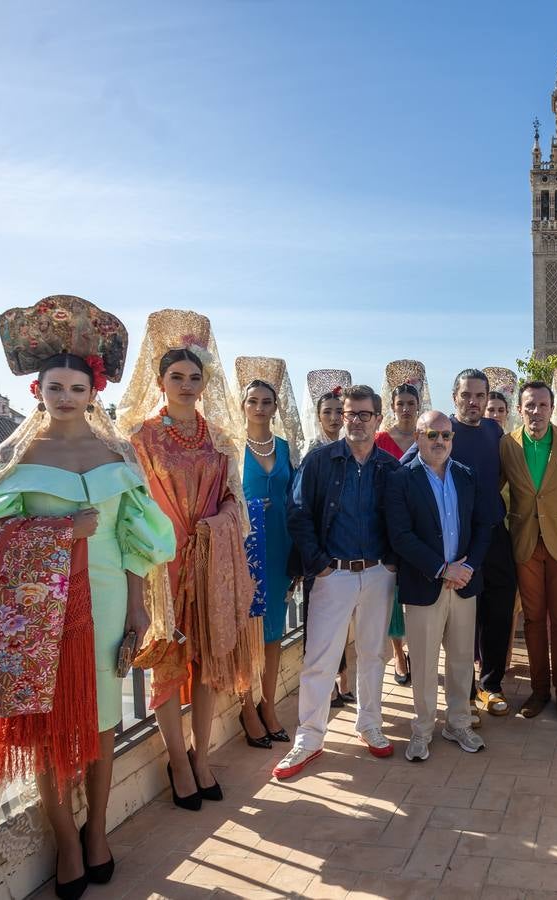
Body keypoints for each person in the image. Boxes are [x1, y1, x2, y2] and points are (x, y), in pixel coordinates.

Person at [0, 296, 175, 899]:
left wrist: (141, 608)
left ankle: (96, 833)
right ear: (37, 391)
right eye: (54, 387)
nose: (65, 397)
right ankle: (66, 840)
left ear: (94, 393)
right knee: (43, 729)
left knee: (101, 723)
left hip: (111, 601)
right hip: (35, 614)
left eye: (76, 387)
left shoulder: (118, 454)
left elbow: (136, 539)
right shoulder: (17, 459)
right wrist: (61, 532)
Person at [117, 309, 263, 812]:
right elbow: (132, 507)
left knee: (205, 665)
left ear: (204, 384)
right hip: (162, 566)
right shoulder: (139, 437)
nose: (184, 384)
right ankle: (177, 760)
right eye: (175, 377)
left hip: (209, 562)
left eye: (193, 377)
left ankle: (202, 757)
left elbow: (232, 500)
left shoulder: (219, 437)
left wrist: (215, 524)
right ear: (159, 381)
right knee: (168, 666)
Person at [275, 385, 401, 777]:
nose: (357, 421)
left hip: (379, 573)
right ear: (341, 417)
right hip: (334, 574)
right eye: (351, 413)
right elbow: (297, 513)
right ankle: (309, 738)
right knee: (319, 659)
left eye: (366, 414)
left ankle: (370, 725)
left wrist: (393, 564)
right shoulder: (320, 462)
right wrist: (320, 564)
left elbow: (402, 518)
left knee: (373, 654)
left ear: (379, 419)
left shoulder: (389, 467)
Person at [386, 411, 491, 761]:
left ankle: (458, 723)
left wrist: (468, 567)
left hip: (463, 584)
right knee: (426, 662)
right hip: (425, 584)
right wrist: (442, 569)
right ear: (418, 437)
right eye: (432, 435)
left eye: (446, 436)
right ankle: (422, 729)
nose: (440, 442)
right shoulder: (401, 479)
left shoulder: (465, 476)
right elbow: (401, 536)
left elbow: (482, 526)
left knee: (462, 660)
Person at [499, 380, 557, 721]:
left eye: (542, 405)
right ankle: (539, 691)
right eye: (529, 405)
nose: (536, 411)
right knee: (533, 621)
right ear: (520, 409)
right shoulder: (507, 445)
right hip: (526, 542)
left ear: (552, 408)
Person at [233, 356, 305, 751]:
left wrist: (297, 553)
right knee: (248, 631)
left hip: (279, 546)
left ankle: (268, 704)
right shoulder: (230, 445)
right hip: (244, 549)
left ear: (276, 407)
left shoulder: (283, 446)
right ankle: (245, 707)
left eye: (267, 402)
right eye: (253, 401)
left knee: (274, 630)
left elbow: (294, 497)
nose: (260, 408)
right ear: (242, 405)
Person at [443, 369, 515, 716]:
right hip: (460, 540)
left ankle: (491, 685)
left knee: (498, 613)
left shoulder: (493, 431)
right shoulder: (443, 432)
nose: (473, 402)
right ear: (454, 396)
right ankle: (464, 693)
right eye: (466, 395)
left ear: (488, 399)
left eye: (479, 396)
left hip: (495, 534)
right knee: (461, 619)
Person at [376, 368, 429, 688]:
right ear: (393, 407)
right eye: (401, 404)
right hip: (390, 524)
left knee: (422, 591)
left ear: (419, 405)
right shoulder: (380, 440)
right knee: (394, 593)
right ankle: (398, 653)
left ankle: (421, 651)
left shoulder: (427, 437)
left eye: (411, 403)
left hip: (423, 526)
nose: (406, 408)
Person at [303, 369, 352, 453]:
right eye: (327, 412)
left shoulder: (350, 446)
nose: (334, 418)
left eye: (339, 412)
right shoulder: (312, 448)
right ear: (318, 416)